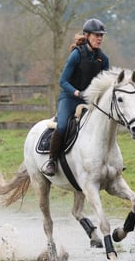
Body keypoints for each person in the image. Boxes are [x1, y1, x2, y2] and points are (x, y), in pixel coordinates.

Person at [41, 18, 110, 176]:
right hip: (70, 97)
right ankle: (51, 161)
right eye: (96, 35)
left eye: (101, 35)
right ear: (86, 36)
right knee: (63, 126)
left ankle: (108, 160)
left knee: (104, 125)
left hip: (89, 100)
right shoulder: (76, 55)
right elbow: (62, 81)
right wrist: (77, 92)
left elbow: (105, 83)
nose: (99, 38)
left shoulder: (103, 59)